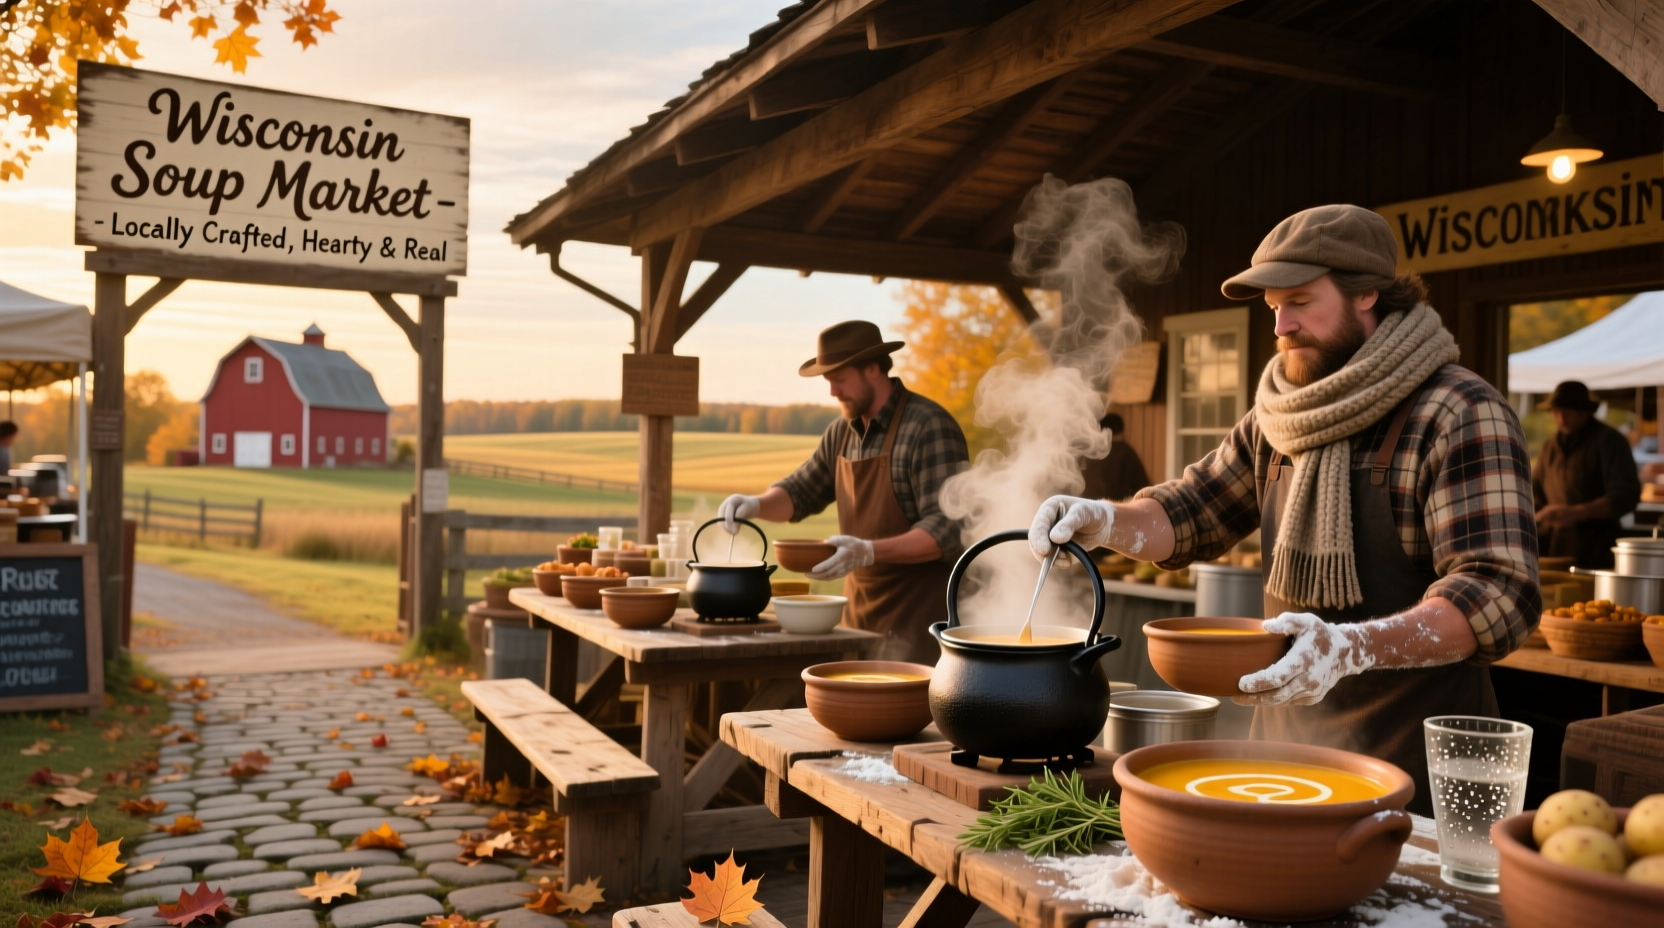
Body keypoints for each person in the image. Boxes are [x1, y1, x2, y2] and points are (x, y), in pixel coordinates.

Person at [1028, 205, 1539, 813]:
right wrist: (1105, 521)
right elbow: (1192, 513)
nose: (1281, 325)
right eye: (1273, 306)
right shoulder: (1278, 419)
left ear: (1369, 292)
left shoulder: (1458, 412)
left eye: (1300, 301)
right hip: (1287, 756)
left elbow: (1499, 594)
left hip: (1427, 766)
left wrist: (1352, 647)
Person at [718, 321, 969, 663]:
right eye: (828, 381)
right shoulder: (842, 433)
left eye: (839, 379)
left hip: (923, 626)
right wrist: (753, 504)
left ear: (872, 368)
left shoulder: (928, 426)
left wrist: (867, 550)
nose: (832, 392)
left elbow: (947, 530)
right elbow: (800, 492)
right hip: (859, 622)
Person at [1532, 381, 1640, 569]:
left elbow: (1625, 495)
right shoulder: (1550, 446)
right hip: (1555, 548)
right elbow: (1534, 490)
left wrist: (1579, 512)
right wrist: (1538, 513)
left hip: (1597, 550)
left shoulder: (1610, 442)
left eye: (1567, 411)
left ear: (1584, 411)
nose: (1561, 417)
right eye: (1556, 411)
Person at [1079, 412, 1150, 501]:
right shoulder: (1125, 453)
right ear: (1122, 431)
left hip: (1085, 507)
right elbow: (1143, 489)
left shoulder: (1089, 453)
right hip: (1114, 509)